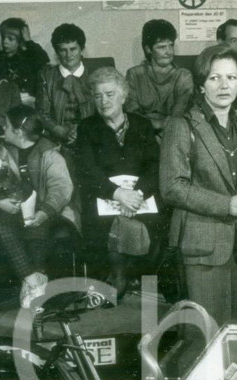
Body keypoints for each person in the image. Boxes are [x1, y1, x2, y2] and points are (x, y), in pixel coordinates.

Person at [160, 43, 237, 325]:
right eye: (215, 77)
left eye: (231, 77)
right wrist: (227, 204)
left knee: (234, 330)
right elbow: (172, 187)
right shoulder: (182, 126)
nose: (224, 85)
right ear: (201, 84)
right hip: (199, 246)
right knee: (202, 333)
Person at [75, 67, 165, 296]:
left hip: (140, 196)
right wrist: (118, 194)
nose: (103, 101)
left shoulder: (142, 124)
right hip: (105, 195)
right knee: (106, 227)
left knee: (161, 223)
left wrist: (137, 195)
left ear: (123, 96)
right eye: (98, 96)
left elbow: (154, 165)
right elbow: (87, 170)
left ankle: (144, 280)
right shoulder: (87, 128)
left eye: (109, 94)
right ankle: (119, 277)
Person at [0, 105, 78, 308]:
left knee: (37, 228)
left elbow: (61, 189)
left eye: (6, 126)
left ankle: (32, 283)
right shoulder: (1, 151)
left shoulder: (50, 153)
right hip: (14, 211)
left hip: (49, 212)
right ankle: (33, 280)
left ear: (18, 131)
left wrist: (44, 212)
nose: (3, 130)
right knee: (0, 225)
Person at [125, 19, 194, 138]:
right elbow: (131, 112)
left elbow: (178, 114)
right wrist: (155, 124)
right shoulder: (134, 74)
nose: (169, 52)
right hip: (141, 134)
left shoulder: (183, 76)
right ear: (148, 49)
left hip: (173, 134)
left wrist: (157, 123)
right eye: (162, 47)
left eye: (171, 45)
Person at [36, 23, 95, 150]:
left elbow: (102, 110)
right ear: (57, 52)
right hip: (56, 136)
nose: (69, 55)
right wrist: (61, 131)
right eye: (63, 50)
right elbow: (42, 113)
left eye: (73, 49)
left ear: (82, 49)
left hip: (91, 134)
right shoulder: (46, 75)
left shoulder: (95, 74)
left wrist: (83, 131)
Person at [0, 17, 50, 100]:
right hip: (4, 99)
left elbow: (43, 59)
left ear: (20, 41)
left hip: (26, 99)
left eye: (10, 39)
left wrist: (28, 41)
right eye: (3, 37)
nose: (5, 42)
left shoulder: (27, 57)